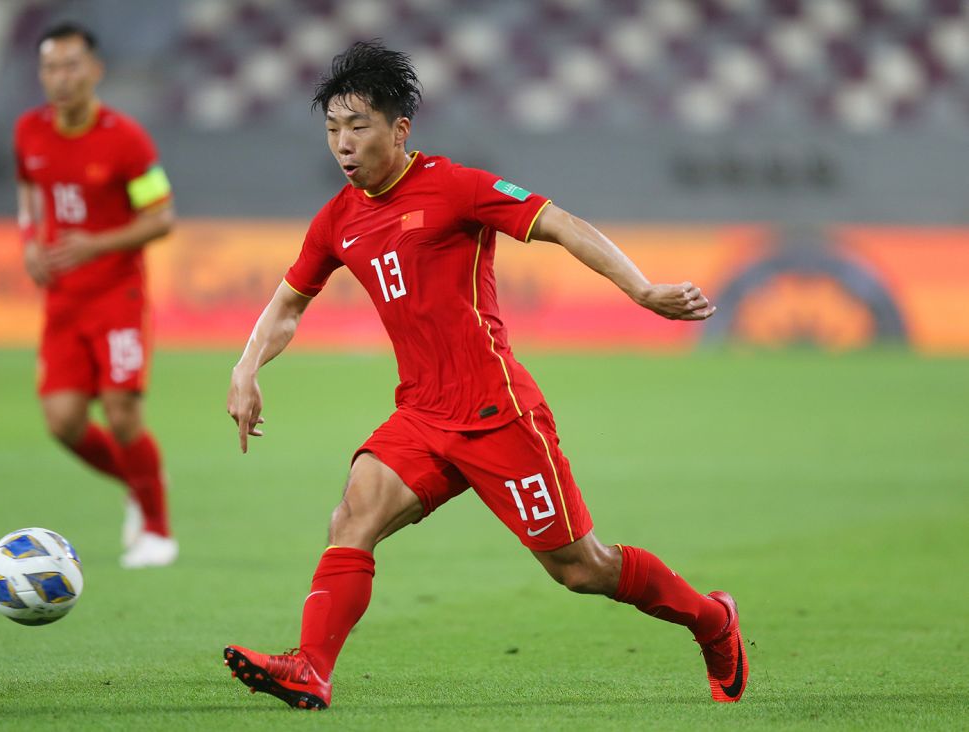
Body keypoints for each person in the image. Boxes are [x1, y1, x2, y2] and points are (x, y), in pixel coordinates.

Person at [224, 41, 747, 708]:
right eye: (332, 130)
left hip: (496, 413)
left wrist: (642, 290)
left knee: (582, 569)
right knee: (351, 518)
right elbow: (289, 302)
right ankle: (311, 670)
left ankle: (713, 620)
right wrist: (246, 366)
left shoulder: (455, 187)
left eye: (358, 127)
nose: (343, 145)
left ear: (399, 129)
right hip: (420, 414)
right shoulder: (339, 219)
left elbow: (560, 223)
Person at [13, 22, 177, 568]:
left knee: (122, 410)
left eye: (71, 66)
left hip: (117, 295)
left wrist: (95, 245)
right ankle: (138, 480)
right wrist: (30, 241)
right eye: (50, 68)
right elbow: (29, 193)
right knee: (62, 421)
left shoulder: (125, 139)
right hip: (62, 300)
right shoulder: (29, 133)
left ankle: (157, 530)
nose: (60, 78)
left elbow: (162, 217)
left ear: (94, 70)